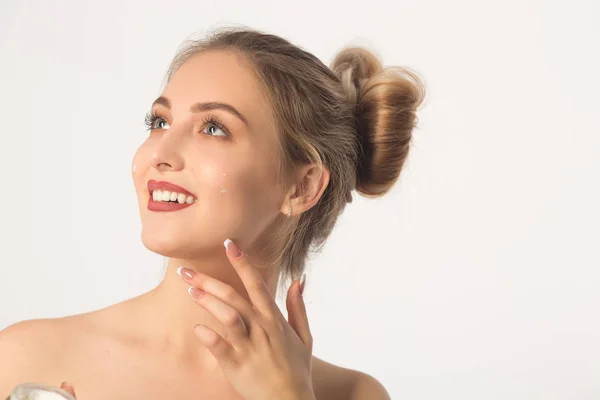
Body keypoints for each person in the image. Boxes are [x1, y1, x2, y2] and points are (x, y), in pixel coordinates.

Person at [0, 27, 425, 399]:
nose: (159, 154)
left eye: (213, 128)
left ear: (302, 186)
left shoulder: (353, 395)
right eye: (159, 121)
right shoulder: (24, 360)